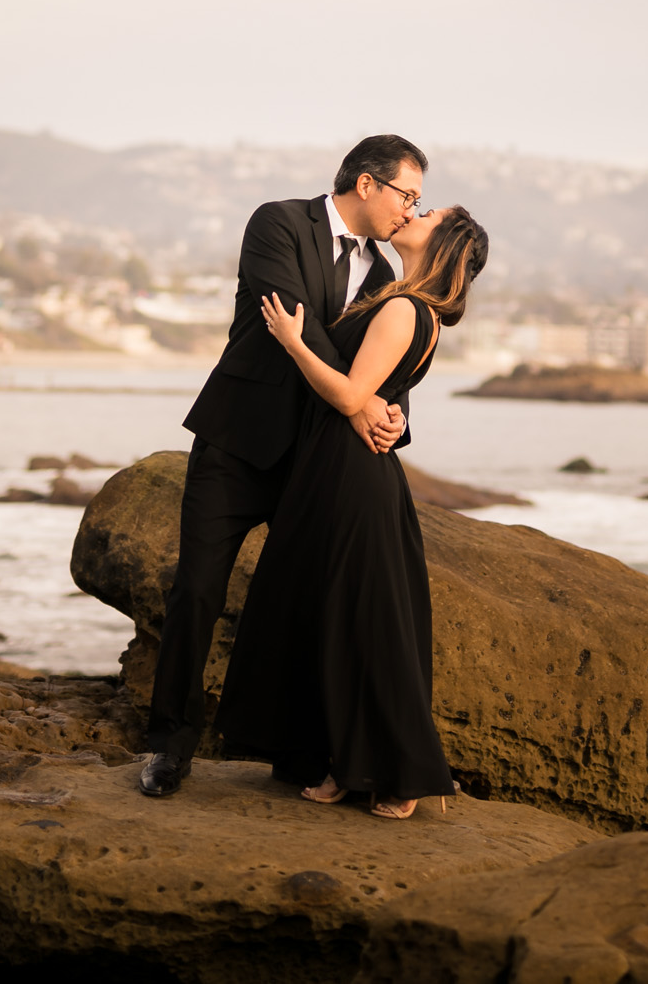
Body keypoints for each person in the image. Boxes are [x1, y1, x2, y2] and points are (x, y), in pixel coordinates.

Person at [139, 134, 430, 797]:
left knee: (306, 609)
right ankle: (168, 747)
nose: (410, 210)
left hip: (317, 464)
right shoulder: (278, 222)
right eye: (406, 194)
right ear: (366, 182)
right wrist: (360, 403)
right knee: (197, 591)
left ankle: (298, 752)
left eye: (418, 200)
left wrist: (392, 413)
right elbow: (296, 324)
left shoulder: (387, 277)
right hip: (238, 445)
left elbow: (385, 358)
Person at [215, 204, 489, 819]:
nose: (414, 210)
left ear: (444, 241)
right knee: (327, 615)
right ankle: (338, 760)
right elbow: (380, 394)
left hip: (349, 473)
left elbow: (348, 394)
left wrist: (293, 342)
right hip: (335, 467)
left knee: (357, 621)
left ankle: (398, 775)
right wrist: (387, 410)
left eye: (429, 210)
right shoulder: (402, 300)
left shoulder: (403, 308)